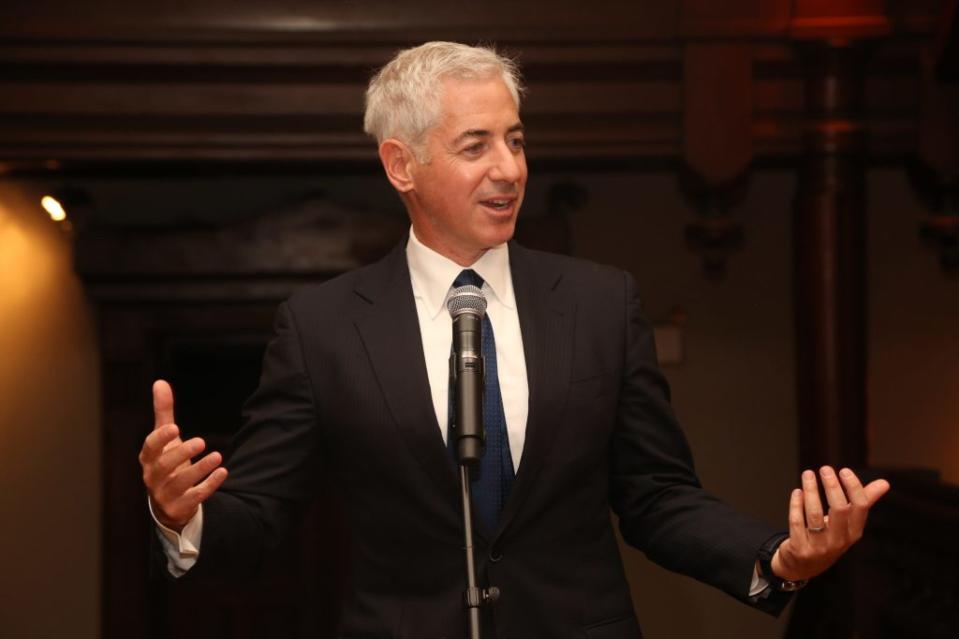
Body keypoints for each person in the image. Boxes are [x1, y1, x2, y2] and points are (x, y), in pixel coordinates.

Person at [139, 41, 890, 637]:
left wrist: (777, 556)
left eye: (516, 140)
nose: (509, 169)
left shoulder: (600, 301)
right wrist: (183, 514)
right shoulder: (322, 327)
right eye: (475, 146)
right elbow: (264, 510)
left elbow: (657, 496)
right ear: (402, 164)